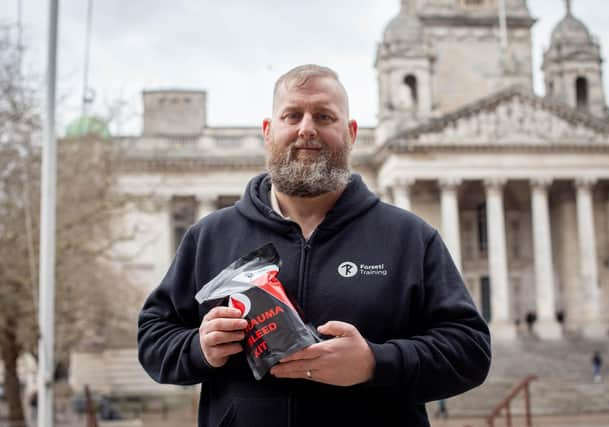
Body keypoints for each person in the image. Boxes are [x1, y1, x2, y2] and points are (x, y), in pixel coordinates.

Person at [138, 64, 491, 427]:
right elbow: (153, 339)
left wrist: (375, 362)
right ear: (268, 131)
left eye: (324, 116)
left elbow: (471, 351)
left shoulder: (410, 237)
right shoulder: (209, 236)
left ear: (351, 134)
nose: (307, 129)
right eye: (292, 115)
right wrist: (200, 348)